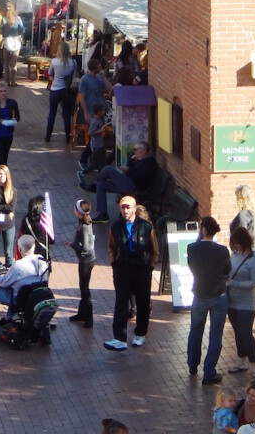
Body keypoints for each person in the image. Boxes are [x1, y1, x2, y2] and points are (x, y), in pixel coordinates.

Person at [103, 196, 159, 351]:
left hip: (141, 270)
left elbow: (154, 250)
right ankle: (119, 337)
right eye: (122, 208)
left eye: (128, 207)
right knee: (121, 302)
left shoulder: (146, 227)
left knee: (142, 303)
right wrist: (114, 264)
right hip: (122, 270)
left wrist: (149, 267)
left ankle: (140, 333)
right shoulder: (116, 227)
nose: (125, 210)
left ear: (135, 208)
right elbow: (111, 247)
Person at [185, 216, 231, 384]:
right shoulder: (222, 250)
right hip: (218, 296)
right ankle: (209, 371)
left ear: (203, 229)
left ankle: (192, 364)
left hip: (199, 295)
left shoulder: (192, 248)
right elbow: (227, 269)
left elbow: (191, 266)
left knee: (195, 331)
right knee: (215, 335)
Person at [0, 235, 49, 329]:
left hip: (18, 298)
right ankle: (10, 317)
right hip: (35, 296)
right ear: (34, 247)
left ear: (20, 249)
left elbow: (2, 283)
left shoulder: (18, 265)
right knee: (16, 287)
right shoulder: (42, 260)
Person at [87, 141, 159, 222]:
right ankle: (103, 214)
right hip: (130, 182)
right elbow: (131, 169)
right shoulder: (140, 159)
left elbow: (141, 178)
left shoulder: (148, 162)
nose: (134, 152)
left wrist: (128, 170)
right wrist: (131, 161)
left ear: (143, 150)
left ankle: (93, 186)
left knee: (108, 169)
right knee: (101, 185)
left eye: (135, 150)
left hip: (134, 186)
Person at [227, 228, 255, 375]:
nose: (236, 246)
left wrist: (235, 284)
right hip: (232, 301)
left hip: (247, 303)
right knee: (237, 332)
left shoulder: (254, 260)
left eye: (238, 243)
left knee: (245, 333)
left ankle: (254, 365)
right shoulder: (234, 255)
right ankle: (242, 361)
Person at [67, 199, 95, 328]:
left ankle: (88, 317)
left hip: (86, 260)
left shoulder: (84, 226)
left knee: (85, 289)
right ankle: (81, 313)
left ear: (78, 212)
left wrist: (73, 246)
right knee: (83, 287)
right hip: (85, 260)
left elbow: (86, 247)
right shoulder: (84, 222)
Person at [45, 41, 77, 142]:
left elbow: (50, 75)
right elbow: (74, 76)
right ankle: (68, 136)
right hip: (67, 90)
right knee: (66, 114)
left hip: (55, 89)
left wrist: (53, 79)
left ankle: (48, 136)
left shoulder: (54, 61)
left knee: (52, 113)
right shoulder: (73, 63)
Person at [17, 195, 53, 264]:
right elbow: (51, 240)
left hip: (27, 254)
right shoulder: (44, 224)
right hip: (42, 256)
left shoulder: (25, 220)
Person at [77, 103, 107, 181]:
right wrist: (100, 130)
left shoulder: (99, 120)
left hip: (100, 143)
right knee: (95, 163)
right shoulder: (94, 122)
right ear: (98, 112)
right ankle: (82, 173)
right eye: (103, 111)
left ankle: (103, 177)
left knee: (103, 162)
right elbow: (90, 132)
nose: (104, 112)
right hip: (97, 145)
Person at [77, 58, 112, 125]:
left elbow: (109, 88)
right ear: (95, 67)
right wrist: (86, 113)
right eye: (99, 66)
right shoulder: (84, 80)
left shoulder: (100, 77)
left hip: (101, 110)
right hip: (91, 110)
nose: (100, 67)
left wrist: (104, 77)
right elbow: (81, 97)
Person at [230, 184, 255, 251]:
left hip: (243, 252)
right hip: (252, 249)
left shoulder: (243, 215)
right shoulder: (254, 213)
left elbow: (241, 237)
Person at [1, 2, 25, 86]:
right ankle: (12, 80)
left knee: (6, 63)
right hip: (16, 41)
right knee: (14, 63)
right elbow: (22, 30)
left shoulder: (3, 19)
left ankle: (6, 80)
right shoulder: (18, 19)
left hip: (7, 41)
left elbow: (0, 30)